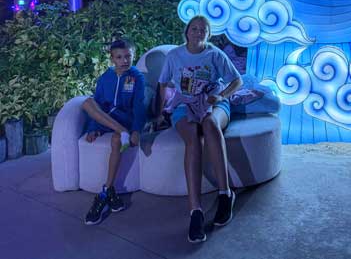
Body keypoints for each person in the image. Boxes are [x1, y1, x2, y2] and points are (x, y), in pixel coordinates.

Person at [157, 15, 242, 243]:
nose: (198, 32)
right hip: (184, 104)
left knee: (210, 125)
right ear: (187, 32)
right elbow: (162, 84)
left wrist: (221, 95)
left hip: (213, 102)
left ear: (209, 34)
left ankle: (225, 194)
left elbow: (237, 81)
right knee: (193, 137)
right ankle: (195, 211)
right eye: (194, 28)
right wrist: (159, 113)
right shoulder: (174, 55)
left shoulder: (215, 54)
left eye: (203, 29)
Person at [81, 39, 147, 225]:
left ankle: (105, 191)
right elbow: (98, 102)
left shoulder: (136, 77)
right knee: (87, 102)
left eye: (128, 56)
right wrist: (93, 128)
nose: (124, 60)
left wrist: (136, 130)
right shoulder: (105, 77)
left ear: (133, 56)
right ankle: (122, 131)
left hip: (125, 120)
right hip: (107, 120)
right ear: (112, 59)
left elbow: (139, 106)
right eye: (119, 57)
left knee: (117, 141)